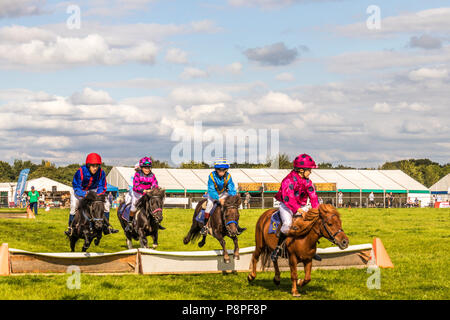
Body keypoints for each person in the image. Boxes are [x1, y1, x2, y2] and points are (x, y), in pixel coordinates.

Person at [271, 153, 321, 262]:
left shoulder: (308, 182)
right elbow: (289, 198)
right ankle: (278, 248)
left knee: (314, 222)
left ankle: (312, 250)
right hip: (287, 205)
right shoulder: (288, 180)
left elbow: (313, 197)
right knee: (287, 224)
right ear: (301, 170)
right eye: (309, 170)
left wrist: (316, 211)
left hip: (302, 205)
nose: (311, 172)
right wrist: (299, 210)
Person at [65, 153, 118, 236]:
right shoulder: (80, 172)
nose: (95, 168)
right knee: (74, 205)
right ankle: (71, 228)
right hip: (80, 191)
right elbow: (76, 186)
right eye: (93, 166)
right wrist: (84, 194)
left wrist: (97, 195)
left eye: (97, 166)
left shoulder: (101, 173)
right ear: (88, 165)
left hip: (94, 191)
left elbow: (102, 186)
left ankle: (106, 227)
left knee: (107, 204)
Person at [200, 158, 246, 235]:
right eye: (219, 170)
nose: (221, 172)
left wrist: (233, 197)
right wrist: (218, 199)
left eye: (223, 170)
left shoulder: (228, 176)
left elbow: (231, 188)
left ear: (226, 170)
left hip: (223, 193)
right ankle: (205, 226)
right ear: (216, 169)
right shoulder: (211, 176)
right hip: (213, 194)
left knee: (232, 207)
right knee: (209, 205)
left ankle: (236, 226)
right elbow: (211, 190)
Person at [125, 157, 164, 232]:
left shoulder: (152, 175)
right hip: (138, 194)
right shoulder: (137, 174)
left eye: (149, 168)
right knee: (133, 207)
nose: (147, 169)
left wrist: (154, 189)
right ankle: (129, 223)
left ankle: (156, 223)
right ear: (142, 168)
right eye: (145, 168)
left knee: (155, 205)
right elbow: (135, 186)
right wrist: (144, 190)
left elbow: (155, 184)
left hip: (148, 194)